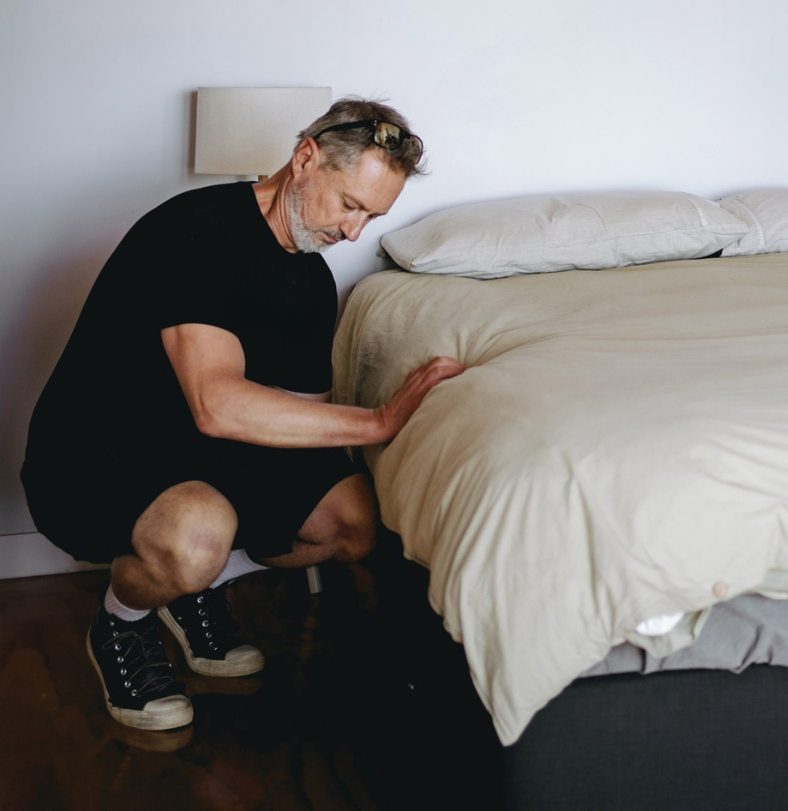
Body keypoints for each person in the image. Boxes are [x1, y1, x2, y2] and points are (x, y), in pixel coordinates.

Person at [21, 98, 464, 731]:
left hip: (207, 454)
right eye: (350, 204)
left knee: (353, 522)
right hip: (97, 453)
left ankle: (190, 586)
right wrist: (377, 422)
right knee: (199, 533)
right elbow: (216, 404)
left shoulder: (310, 281)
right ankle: (123, 623)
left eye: (373, 215)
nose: (355, 233)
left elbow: (298, 421)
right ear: (305, 158)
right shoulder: (195, 230)